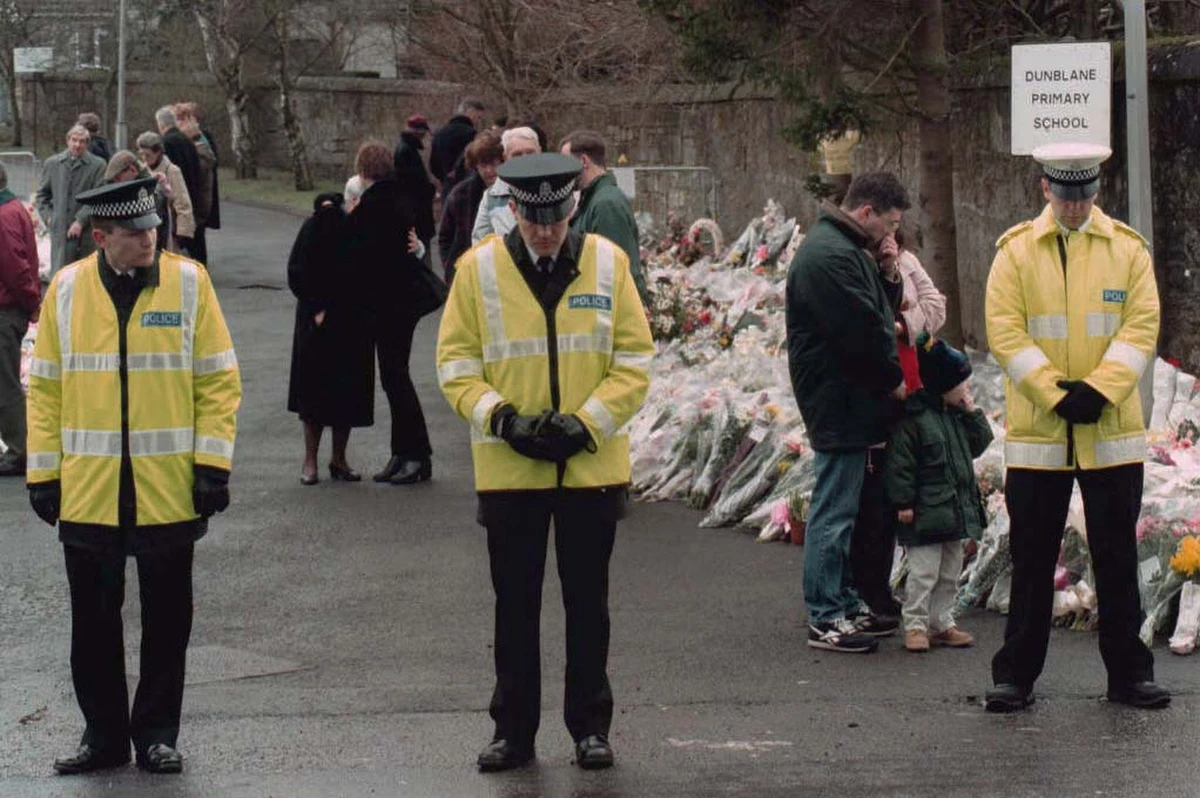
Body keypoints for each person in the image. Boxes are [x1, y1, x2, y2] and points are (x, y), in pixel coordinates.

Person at [437, 152, 654, 773]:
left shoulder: (608, 264)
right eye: (534, 220)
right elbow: (455, 365)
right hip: (512, 467)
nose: (545, 232)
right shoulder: (477, 270)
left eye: (556, 219)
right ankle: (513, 731)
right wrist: (503, 418)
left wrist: (584, 422)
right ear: (514, 211)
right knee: (515, 607)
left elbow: (635, 361)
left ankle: (590, 726)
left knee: (589, 605)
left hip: (588, 466)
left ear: (572, 210)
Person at [26, 177, 241, 775]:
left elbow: (218, 380)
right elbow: (44, 390)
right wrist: (43, 474)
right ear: (101, 238)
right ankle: (102, 736)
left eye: (152, 227)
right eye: (135, 232)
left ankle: (156, 735)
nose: (150, 239)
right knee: (92, 625)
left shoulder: (190, 283)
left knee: (168, 621)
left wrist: (212, 464)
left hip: (168, 489)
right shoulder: (66, 291)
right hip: (90, 493)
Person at [983, 142, 1166, 712]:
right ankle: (1014, 676)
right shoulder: (1014, 253)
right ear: (1045, 189)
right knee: (1032, 561)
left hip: (1110, 435)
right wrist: (1055, 394)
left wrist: (1101, 390)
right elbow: (1005, 332)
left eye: (1084, 196)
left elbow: (1141, 327)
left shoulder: (1128, 251)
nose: (1074, 207)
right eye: (1064, 196)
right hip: (1040, 438)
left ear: (1097, 191)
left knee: (1117, 562)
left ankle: (1129, 676)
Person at [785, 172, 910, 653]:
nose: (892, 234)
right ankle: (825, 613)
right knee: (834, 511)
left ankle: (843, 600)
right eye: (891, 223)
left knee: (847, 507)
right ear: (866, 213)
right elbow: (866, 331)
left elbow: (882, 310)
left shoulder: (846, 249)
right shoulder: (829, 256)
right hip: (839, 398)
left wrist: (888, 270)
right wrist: (890, 379)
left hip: (849, 398)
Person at [848, 229, 947, 621]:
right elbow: (870, 325)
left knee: (896, 488)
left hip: (912, 381)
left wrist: (905, 323)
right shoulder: (857, 263)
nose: (888, 239)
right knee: (870, 497)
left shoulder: (907, 262)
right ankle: (863, 586)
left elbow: (936, 310)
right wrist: (902, 321)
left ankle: (881, 586)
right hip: (876, 387)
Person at [885, 334, 992, 652]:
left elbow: (979, 443)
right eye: (963, 384)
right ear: (944, 384)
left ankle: (942, 621)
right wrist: (903, 501)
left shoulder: (957, 418)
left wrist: (973, 413)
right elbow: (901, 463)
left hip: (954, 511)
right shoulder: (916, 420)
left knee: (949, 572)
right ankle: (915, 625)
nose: (967, 390)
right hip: (926, 512)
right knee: (924, 573)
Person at [345, 141, 433, 485]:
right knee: (395, 377)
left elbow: (357, 252)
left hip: (390, 304)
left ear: (364, 172)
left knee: (396, 378)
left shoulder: (374, 205)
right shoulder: (398, 197)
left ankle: (417, 454)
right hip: (401, 302)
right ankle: (402, 451)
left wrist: (348, 219)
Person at [287, 183, 374, 485]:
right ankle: (315, 460)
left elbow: (362, 273)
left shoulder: (342, 229)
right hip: (325, 320)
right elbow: (299, 272)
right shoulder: (319, 229)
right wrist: (318, 308)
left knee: (340, 392)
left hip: (342, 319)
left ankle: (335, 460)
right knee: (319, 393)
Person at [560, 130, 650, 305]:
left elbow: (615, 271)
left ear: (583, 161)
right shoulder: (594, 200)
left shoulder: (606, 204)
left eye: (566, 163)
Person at [0, 163, 42, 476]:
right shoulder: (14, 209)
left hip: (6, 309)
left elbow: (15, 266)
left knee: (6, 383)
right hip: (12, 306)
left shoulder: (4, 216)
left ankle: (19, 451)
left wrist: (31, 301)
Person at [35, 124, 107, 277]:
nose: (77, 145)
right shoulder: (53, 164)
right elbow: (42, 195)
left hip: (87, 234)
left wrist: (80, 220)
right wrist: (48, 217)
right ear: (68, 140)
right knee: (61, 276)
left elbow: (98, 197)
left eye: (82, 141)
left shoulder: (98, 165)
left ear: (87, 144)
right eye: (74, 140)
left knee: (86, 276)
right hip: (60, 232)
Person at [438, 131, 502, 285]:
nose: (488, 171)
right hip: (468, 274)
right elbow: (445, 236)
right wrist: (451, 268)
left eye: (494, 164)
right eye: (483, 165)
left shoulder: (515, 191)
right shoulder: (461, 195)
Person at [470, 126, 541, 244]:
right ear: (505, 158)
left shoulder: (558, 187)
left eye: (530, 153)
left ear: (540, 152)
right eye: (517, 155)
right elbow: (479, 242)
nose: (525, 159)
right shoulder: (491, 197)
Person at [104, 150, 173, 256]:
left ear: (133, 169)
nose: (116, 183)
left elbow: (152, 232)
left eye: (118, 178)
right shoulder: (138, 189)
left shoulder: (149, 192)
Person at [173, 103, 218, 267]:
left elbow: (206, 164)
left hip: (197, 198)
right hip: (198, 197)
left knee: (194, 240)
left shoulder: (199, 139)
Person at [136, 132, 195, 255]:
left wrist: (182, 232)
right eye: (141, 154)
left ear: (158, 152)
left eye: (148, 155)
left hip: (167, 228)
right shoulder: (141, 171)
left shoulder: (172, 171)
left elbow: (182, 203)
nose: (144, 158)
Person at [392, 114, 436, 251]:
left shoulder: (404, 149)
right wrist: (431, 190)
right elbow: (417, 184)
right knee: (421, 251)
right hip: (417, 213)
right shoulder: (408, 152)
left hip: (411, 211)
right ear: (419, 132)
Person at [430, 98, 486, 201]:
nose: (478, 121)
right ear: (470, 112)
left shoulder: (439, 134)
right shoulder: (472, 134)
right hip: (469, 188)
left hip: (447, 187)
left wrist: (445, 178)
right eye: (478, 117)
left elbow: (433, 165)